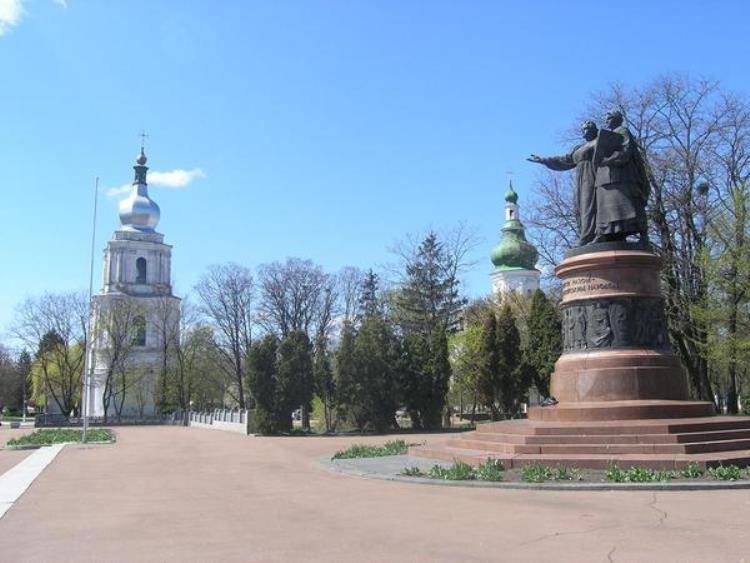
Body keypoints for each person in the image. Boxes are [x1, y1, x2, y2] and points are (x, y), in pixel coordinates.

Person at [528, 121, 599, 245]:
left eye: (587, 128)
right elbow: (565, 160)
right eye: (583, 129)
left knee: (590, 204)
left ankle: (592, 235)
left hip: (594, 176)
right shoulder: (579, 148)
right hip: (581, 179)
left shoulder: (600, 142)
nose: (585, 132)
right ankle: (584, 234)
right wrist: (544, 160)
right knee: (579, 206)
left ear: (594, 129)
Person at [594, 110, 650, 243]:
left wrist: (607, 159)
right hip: (606, 177)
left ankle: (643, 236)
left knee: (629, 205)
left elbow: (626, 150)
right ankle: (608, 233)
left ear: (617, 119)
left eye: (609, 118)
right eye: (606, 119)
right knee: (606, 207)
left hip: (622, 176)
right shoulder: (609, 134)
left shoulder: (622, 131)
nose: (606, 121)